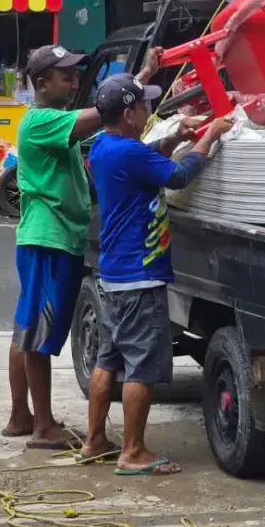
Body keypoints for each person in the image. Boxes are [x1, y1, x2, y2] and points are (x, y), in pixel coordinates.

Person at [4, 44, 163, 448]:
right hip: (49, 239)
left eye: (75, 75)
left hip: (51, 238)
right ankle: (42, 426)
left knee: (27, 325)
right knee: (37, 334)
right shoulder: (41, 121)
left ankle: (21, 415)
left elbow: (106, 112)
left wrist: (142, 78)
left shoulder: (55, 119)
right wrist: (136, 86)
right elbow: (105, 113)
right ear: (42, 84)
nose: (74, 82)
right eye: (66, 77)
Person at [79, 73, 232, 475]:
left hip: (115, 275)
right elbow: (177, 176)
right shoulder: (129, 153)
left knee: (108, 360)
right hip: (140, 277)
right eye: (144, 106)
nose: (149, 111)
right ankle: (133, 453)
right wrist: (210, 135)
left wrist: (177, 136)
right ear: (129, 113)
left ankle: (94, 441)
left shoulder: (104, 147)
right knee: (142, 367)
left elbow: (148, 157)